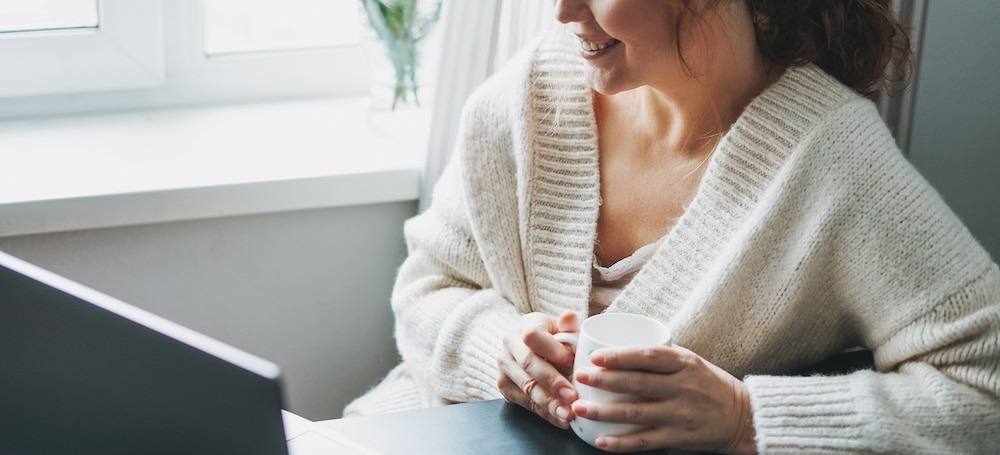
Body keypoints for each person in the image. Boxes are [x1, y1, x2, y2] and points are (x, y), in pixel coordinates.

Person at [345, 0, 1000, 453]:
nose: (563, 10)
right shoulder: (528, 96)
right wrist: (500, 351)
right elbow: (427, 289)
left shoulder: (834, 164)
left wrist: (748, 419)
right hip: (405, 428)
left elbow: (986, 390)